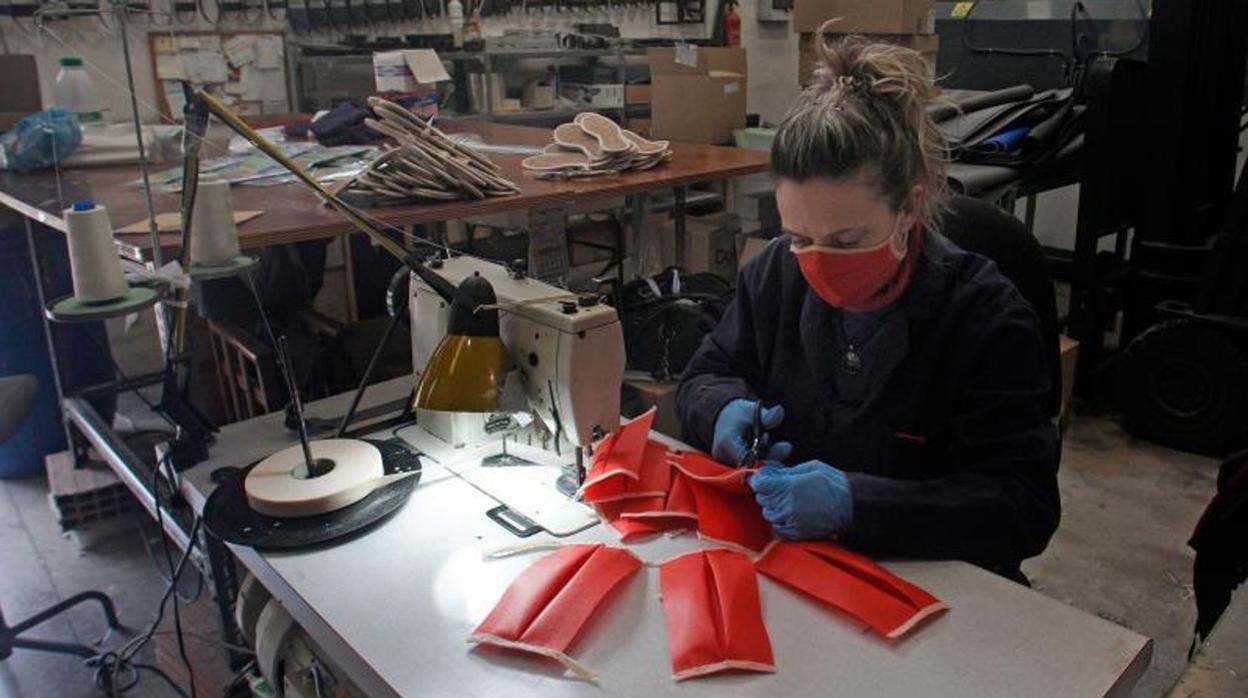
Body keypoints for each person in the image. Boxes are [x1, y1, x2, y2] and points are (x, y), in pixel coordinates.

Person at [676, 30, 1060, 578]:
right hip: (795, 563)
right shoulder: (775, 275)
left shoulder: (985, 318)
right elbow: (704, 374)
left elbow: (1023, 505)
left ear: (909, 207)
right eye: (800, 236)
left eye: (848, 240)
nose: (817, 262)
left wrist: (860, 504)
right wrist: (719, 409)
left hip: (925, 580)